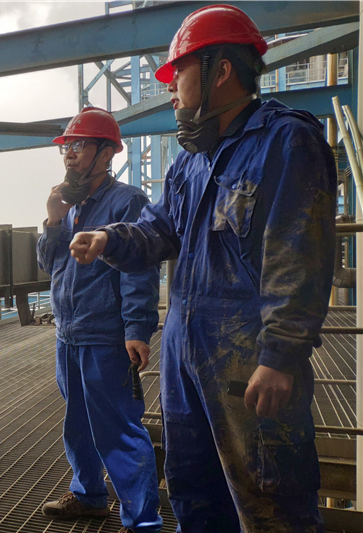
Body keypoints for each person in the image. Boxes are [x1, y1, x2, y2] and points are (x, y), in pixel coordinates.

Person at [69, 5, 335, 532]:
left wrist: (280, 355)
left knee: (271, 504)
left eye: (178, 74)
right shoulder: (191, 161)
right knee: (194, 493)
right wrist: (109, 238)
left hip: (248, 360)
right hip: (185, 358)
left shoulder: (286, 141)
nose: (170, 90)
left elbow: (298, 256)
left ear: (221, 70)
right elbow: (159, 231)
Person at [37, 107, 162, 533]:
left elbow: (139, 268)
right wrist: (53, 218)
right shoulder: (70, 205)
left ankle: (142, 521)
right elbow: (48, 263)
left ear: (107, 153)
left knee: (118, 429)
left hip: (106, 335)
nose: (69, 153)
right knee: (77, 424)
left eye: (79, 145)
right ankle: (89, 496)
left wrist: (137, 329)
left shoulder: (127, 201)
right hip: (69, 333)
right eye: (66, 147)